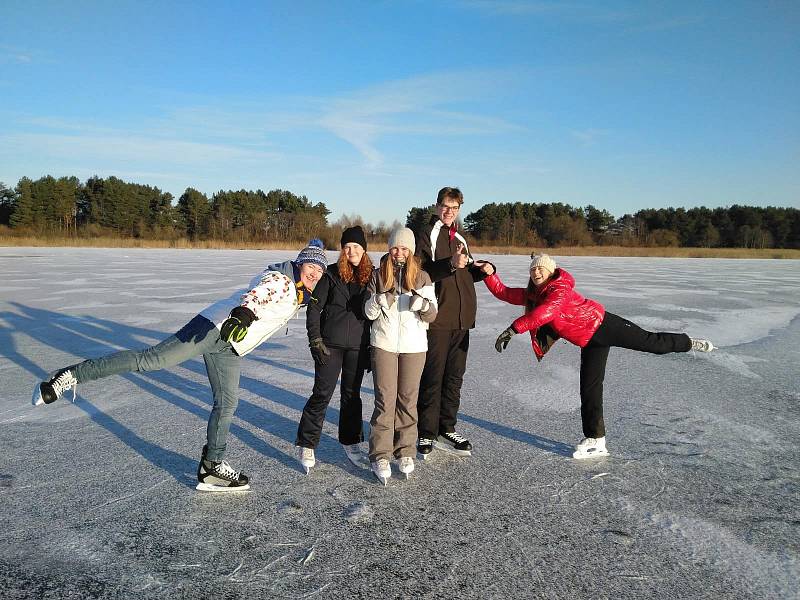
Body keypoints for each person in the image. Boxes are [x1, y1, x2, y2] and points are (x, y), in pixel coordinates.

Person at [31, 240, 328, 491]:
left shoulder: (299, 292)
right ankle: (68, 375)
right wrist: (244, 314)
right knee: (151, 360)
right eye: (311, 267)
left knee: (226, 404)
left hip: (230, 346)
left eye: (319, 270)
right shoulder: (283, 281)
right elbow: (260, 294)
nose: (314, 273)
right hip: (213, 328)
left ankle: (211, 467)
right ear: (299, 264)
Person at [478, 253, 715, 459]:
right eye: (533, 269)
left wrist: (513, 329)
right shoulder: (535, 293)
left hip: (604, 325)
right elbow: (506, 293)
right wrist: (489, 273)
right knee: (589, 389)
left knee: (653, 343)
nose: (536, 272)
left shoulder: (558, 289)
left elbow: (546, 312)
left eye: (541, 268)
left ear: (550, 272)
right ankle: (596, 439)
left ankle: (687, 342)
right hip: (590, 341)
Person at [414, 187, 488, 459]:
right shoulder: (426, 234)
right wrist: (451, 264)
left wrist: (482, 269)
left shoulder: (460, 235)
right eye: (446, 206)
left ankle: (447, 427)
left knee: (455, 377)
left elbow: (464, 273)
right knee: (433, 377)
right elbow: (420, 272)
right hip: (439, 318)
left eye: (455, 208)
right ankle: (426, 431)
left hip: (462, 319)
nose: (449, 212)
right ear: (436, 206)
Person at [295, 226, 373, 473]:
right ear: (342, 249)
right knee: (322, 394)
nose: (351, 251)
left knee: (352, 396)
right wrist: (315, 339)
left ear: (364, 250)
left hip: (358, 347)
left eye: (356, 247)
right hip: (329, 346)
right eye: (347, 246)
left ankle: (351, 442)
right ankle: (307, 443)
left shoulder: (372, 277)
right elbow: (314, 310)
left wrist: (372, 347)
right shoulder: (329, 274)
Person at [363, 227, 438, 484]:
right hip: (383, 344)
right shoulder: (377, 275)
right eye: (395, 247)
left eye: (404, 248)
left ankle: (405, 451)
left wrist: (423, 306)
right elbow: (368, 312)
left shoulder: (423, 277)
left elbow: (433, 314)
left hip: (414, 346)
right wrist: (378, 301)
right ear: (389, 248)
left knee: (407, 400)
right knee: (385, 401)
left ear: (412, 250)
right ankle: (380, 455)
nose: (399, 252)